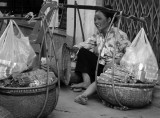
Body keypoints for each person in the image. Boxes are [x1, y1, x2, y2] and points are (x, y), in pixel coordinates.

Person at [71, 5, 131, 104]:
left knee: (103, 75)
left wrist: (114, 63)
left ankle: (85, 94)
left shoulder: (119, 34)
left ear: (109, 20)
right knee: (82, 52)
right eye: (95, 19)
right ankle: (86, 82)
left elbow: (130, 53)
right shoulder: (98, 35)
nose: (96, 22)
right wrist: (74, 48)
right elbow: (86, 44)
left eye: (99, 19)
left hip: (113, 70)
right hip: (101, 67)